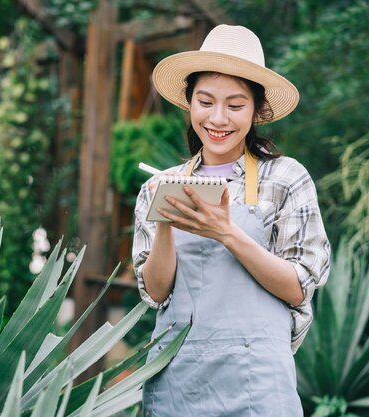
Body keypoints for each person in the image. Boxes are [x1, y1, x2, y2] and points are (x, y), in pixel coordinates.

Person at [133, 24, 330, 416]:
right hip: (177, 383)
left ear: (257, 111)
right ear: (189, 102)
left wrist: (225, 231)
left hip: (257, 386)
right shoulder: (158, 186)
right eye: (205, 102)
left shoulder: (286, 179)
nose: (218, 118)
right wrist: (167, 218)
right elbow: (155, 293)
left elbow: (298, 287)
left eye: (235, 106)